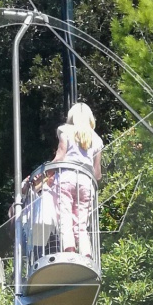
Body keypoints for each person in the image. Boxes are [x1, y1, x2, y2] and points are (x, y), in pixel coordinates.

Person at [52, 102, 102, 258]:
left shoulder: (66, 131)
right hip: (86, 183)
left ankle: (70, 252)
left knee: (65, 217)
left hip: (66, 178)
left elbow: (60, 156)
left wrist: (46, 171)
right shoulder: (97, 140)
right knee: (81, 225)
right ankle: (86, 255)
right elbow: (97, 173)